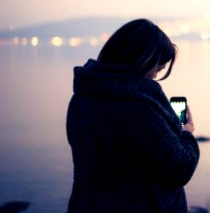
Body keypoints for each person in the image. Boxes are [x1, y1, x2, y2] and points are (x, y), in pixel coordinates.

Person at [66, 19, 200, 213]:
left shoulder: (83, 96)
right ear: (144, 59)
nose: (155, 77)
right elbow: (180, 169)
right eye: (158, 69)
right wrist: (187, 133)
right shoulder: (139, 108)